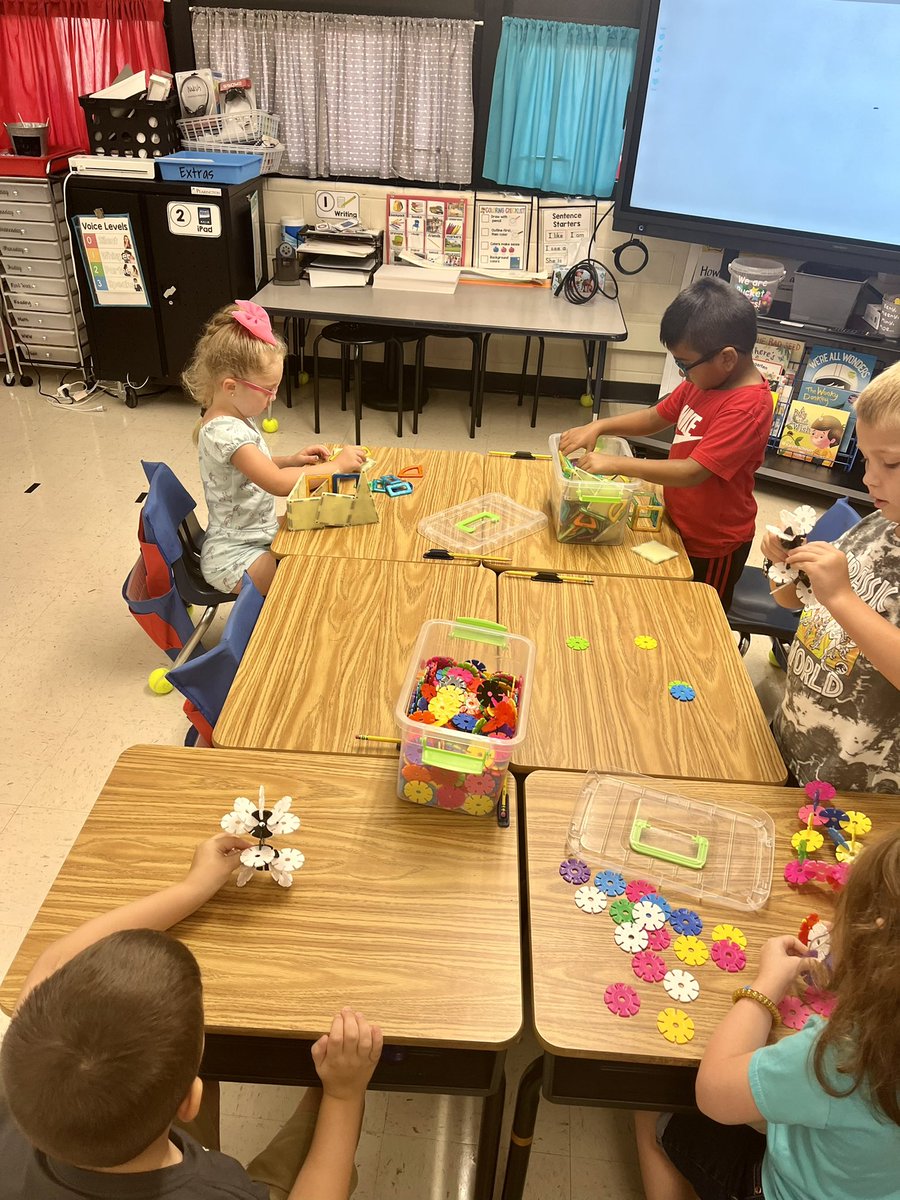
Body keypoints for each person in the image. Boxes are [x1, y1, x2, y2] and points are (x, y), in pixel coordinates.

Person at [0, 833, 383, 1200]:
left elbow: (56, 962)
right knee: (320, 1124)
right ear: (188, 1101)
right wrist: (343, 1094)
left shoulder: (18, 1087)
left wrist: (192, 888)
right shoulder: (219, 1195)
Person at [634, 827, 900, 1200]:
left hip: (768, 1189)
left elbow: (713, 1091)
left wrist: (766, 984)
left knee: (649, 1101)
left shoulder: (845, 1058)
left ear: (869, 939)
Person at [560, 278, 772, 610]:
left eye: (684, 364)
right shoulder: (704, 381)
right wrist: (600, 426)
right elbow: (655, 417)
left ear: (728, 358)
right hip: (680, 521)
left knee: (699, 618)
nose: (683, 373)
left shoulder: (747, 408)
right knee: (668, 606)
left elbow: (692, 472)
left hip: (713, 544)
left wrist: (615, 463)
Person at [763, 364, 900, 793]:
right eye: (865, 458)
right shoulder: (874, 525)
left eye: (891, 463)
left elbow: (838, 602)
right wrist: (784, 567)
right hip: (791, 741)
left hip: (856, 790)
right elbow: (795, 603)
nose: (868, 477)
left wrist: (842, 597)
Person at [183, 301, 367, 596]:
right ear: (231, 386)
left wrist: (291, 460)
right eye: (268, 389)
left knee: (323, 532)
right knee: (306, 584)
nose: (273, 398)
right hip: (235, 556)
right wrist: (338, 466)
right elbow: (277, 484)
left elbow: (253, 467)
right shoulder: (225, 431)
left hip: (255, 534)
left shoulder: (232, 415)